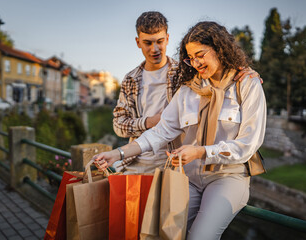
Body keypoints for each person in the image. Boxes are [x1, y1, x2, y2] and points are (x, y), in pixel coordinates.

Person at [94, 21, 266, 239]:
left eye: (200, 55)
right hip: (189, 179)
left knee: (199, 237)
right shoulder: (188, 89)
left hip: (228, 177)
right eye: (190, 57)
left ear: (219, 49)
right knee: (158, 233)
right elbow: (161, 131)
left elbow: (248, 144)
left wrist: (201, 152)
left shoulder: (248, 84)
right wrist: (116, 154)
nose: (195, 63)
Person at [112, 11, 181, 173]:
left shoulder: (183, 72)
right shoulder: (130, 79)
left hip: (175, 163)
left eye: (159, 41)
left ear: (168, 39)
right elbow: (118, 125)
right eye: (148, 43)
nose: (155, 49)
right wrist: (150, 121)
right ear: (138, 42)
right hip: (138, 161)